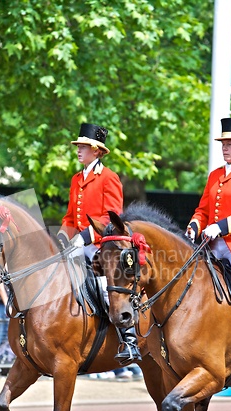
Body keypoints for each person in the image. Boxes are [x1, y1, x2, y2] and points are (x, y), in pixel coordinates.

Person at [58, 122, 141, 365]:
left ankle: (129, 340)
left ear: (96, 151)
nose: (78, 150)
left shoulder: (109, 178)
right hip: (77, 243)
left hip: (102, 245)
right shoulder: (76, 179)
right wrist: (63, 237)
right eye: (78, 146)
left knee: (108, 288)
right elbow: (70, 216)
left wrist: (83, 237)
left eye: (83, 146)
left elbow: (112, 217)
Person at [186, 117, 231, 312]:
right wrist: (194, 226)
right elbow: (203, 210)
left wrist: (221, 226)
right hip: (210, 246)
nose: (225, 148)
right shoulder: (214, 175)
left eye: (230, 144)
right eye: (223, 144)